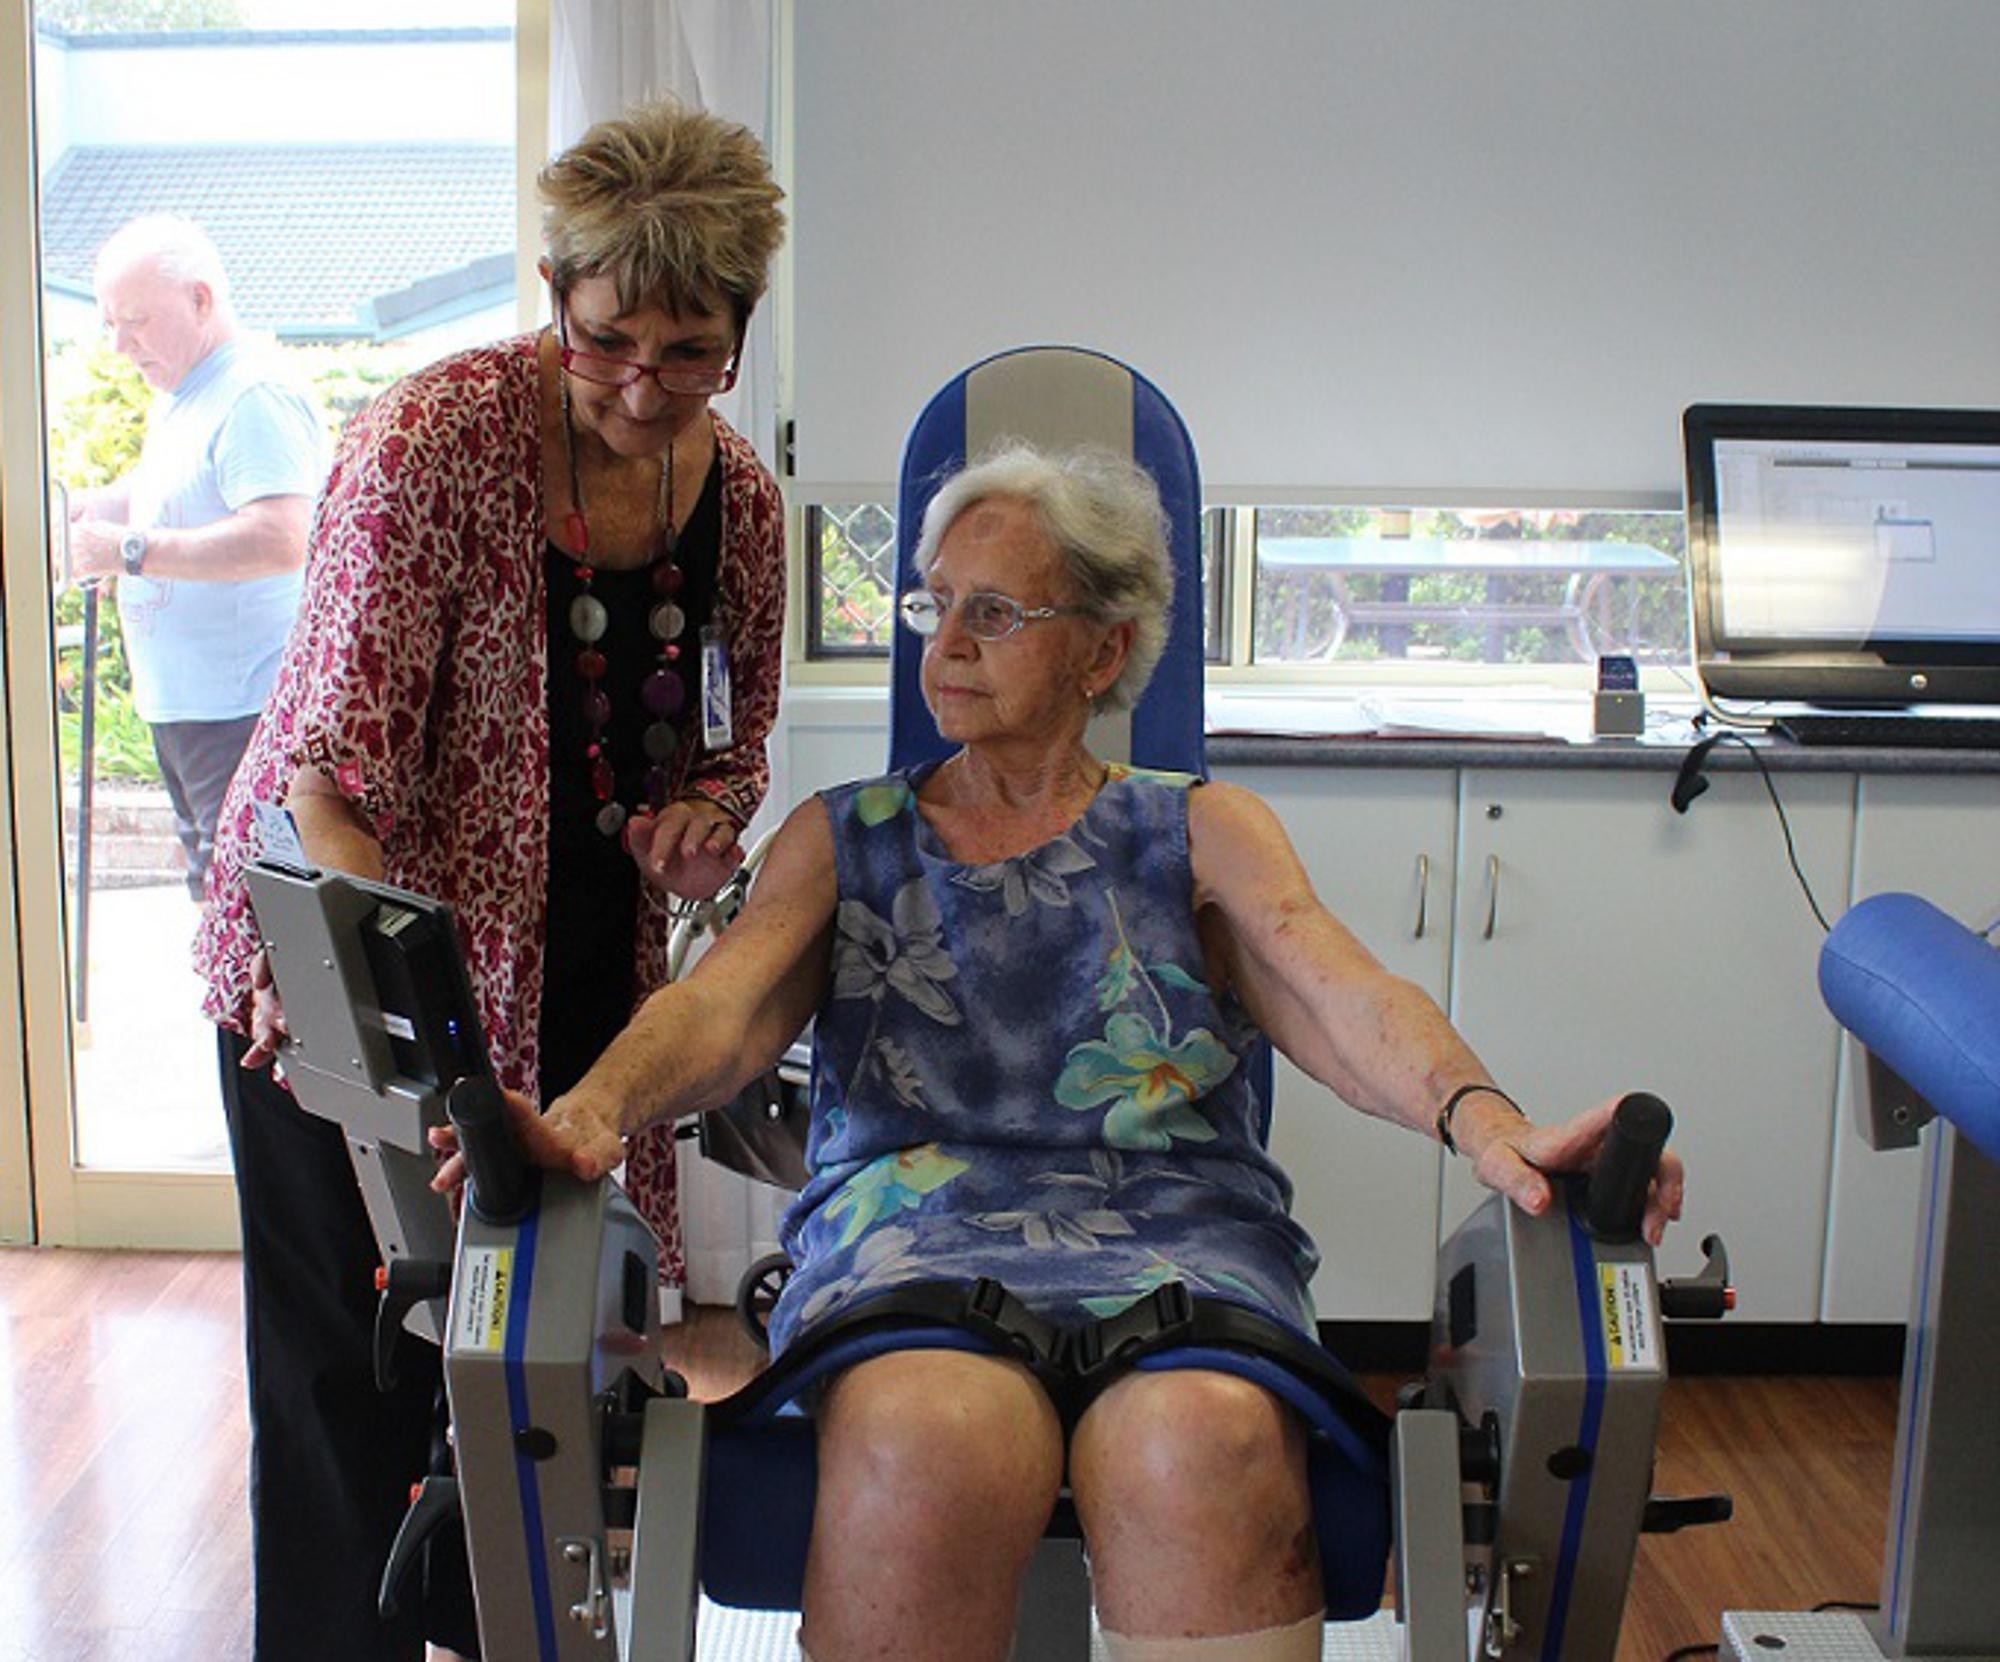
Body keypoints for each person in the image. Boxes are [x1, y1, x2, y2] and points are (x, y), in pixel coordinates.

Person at [454, 444, 1686, 1662]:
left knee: (1203, 1438)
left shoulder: (1200, 831)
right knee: (928, 1435)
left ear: (1102, 651)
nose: (945, 645)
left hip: (1178, 1231)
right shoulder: (843, 838)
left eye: (993, 613)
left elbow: (1339, 993)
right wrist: (591, 1111)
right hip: (907, 1236)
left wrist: (1489, 1122)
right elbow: (720, 1007)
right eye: (934, 606)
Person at [193, 99, 787, 1661]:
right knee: (355, 1361)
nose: (643, 387)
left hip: (586, 976)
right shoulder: (431, 445)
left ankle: (512, 1631)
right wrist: (391, 1026)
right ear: (553, 293)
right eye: (608, 341)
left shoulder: (740, 502)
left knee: (548, 1356)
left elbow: (732, 744)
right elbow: (331, 775)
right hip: (356, 956)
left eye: (690, 352)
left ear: (741, 330)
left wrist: (701, 821)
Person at [68, 213, 326, 900]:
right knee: (220, 897)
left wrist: (127, 550)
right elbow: (172, 489)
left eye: (136, 321)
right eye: (109, 323)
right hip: (195, 709)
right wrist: (96, 509)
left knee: (250, 905)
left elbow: (281, 535)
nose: (119, 344)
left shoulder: (253, 395)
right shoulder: (188, 392)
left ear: (201, 300)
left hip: (244, 712)